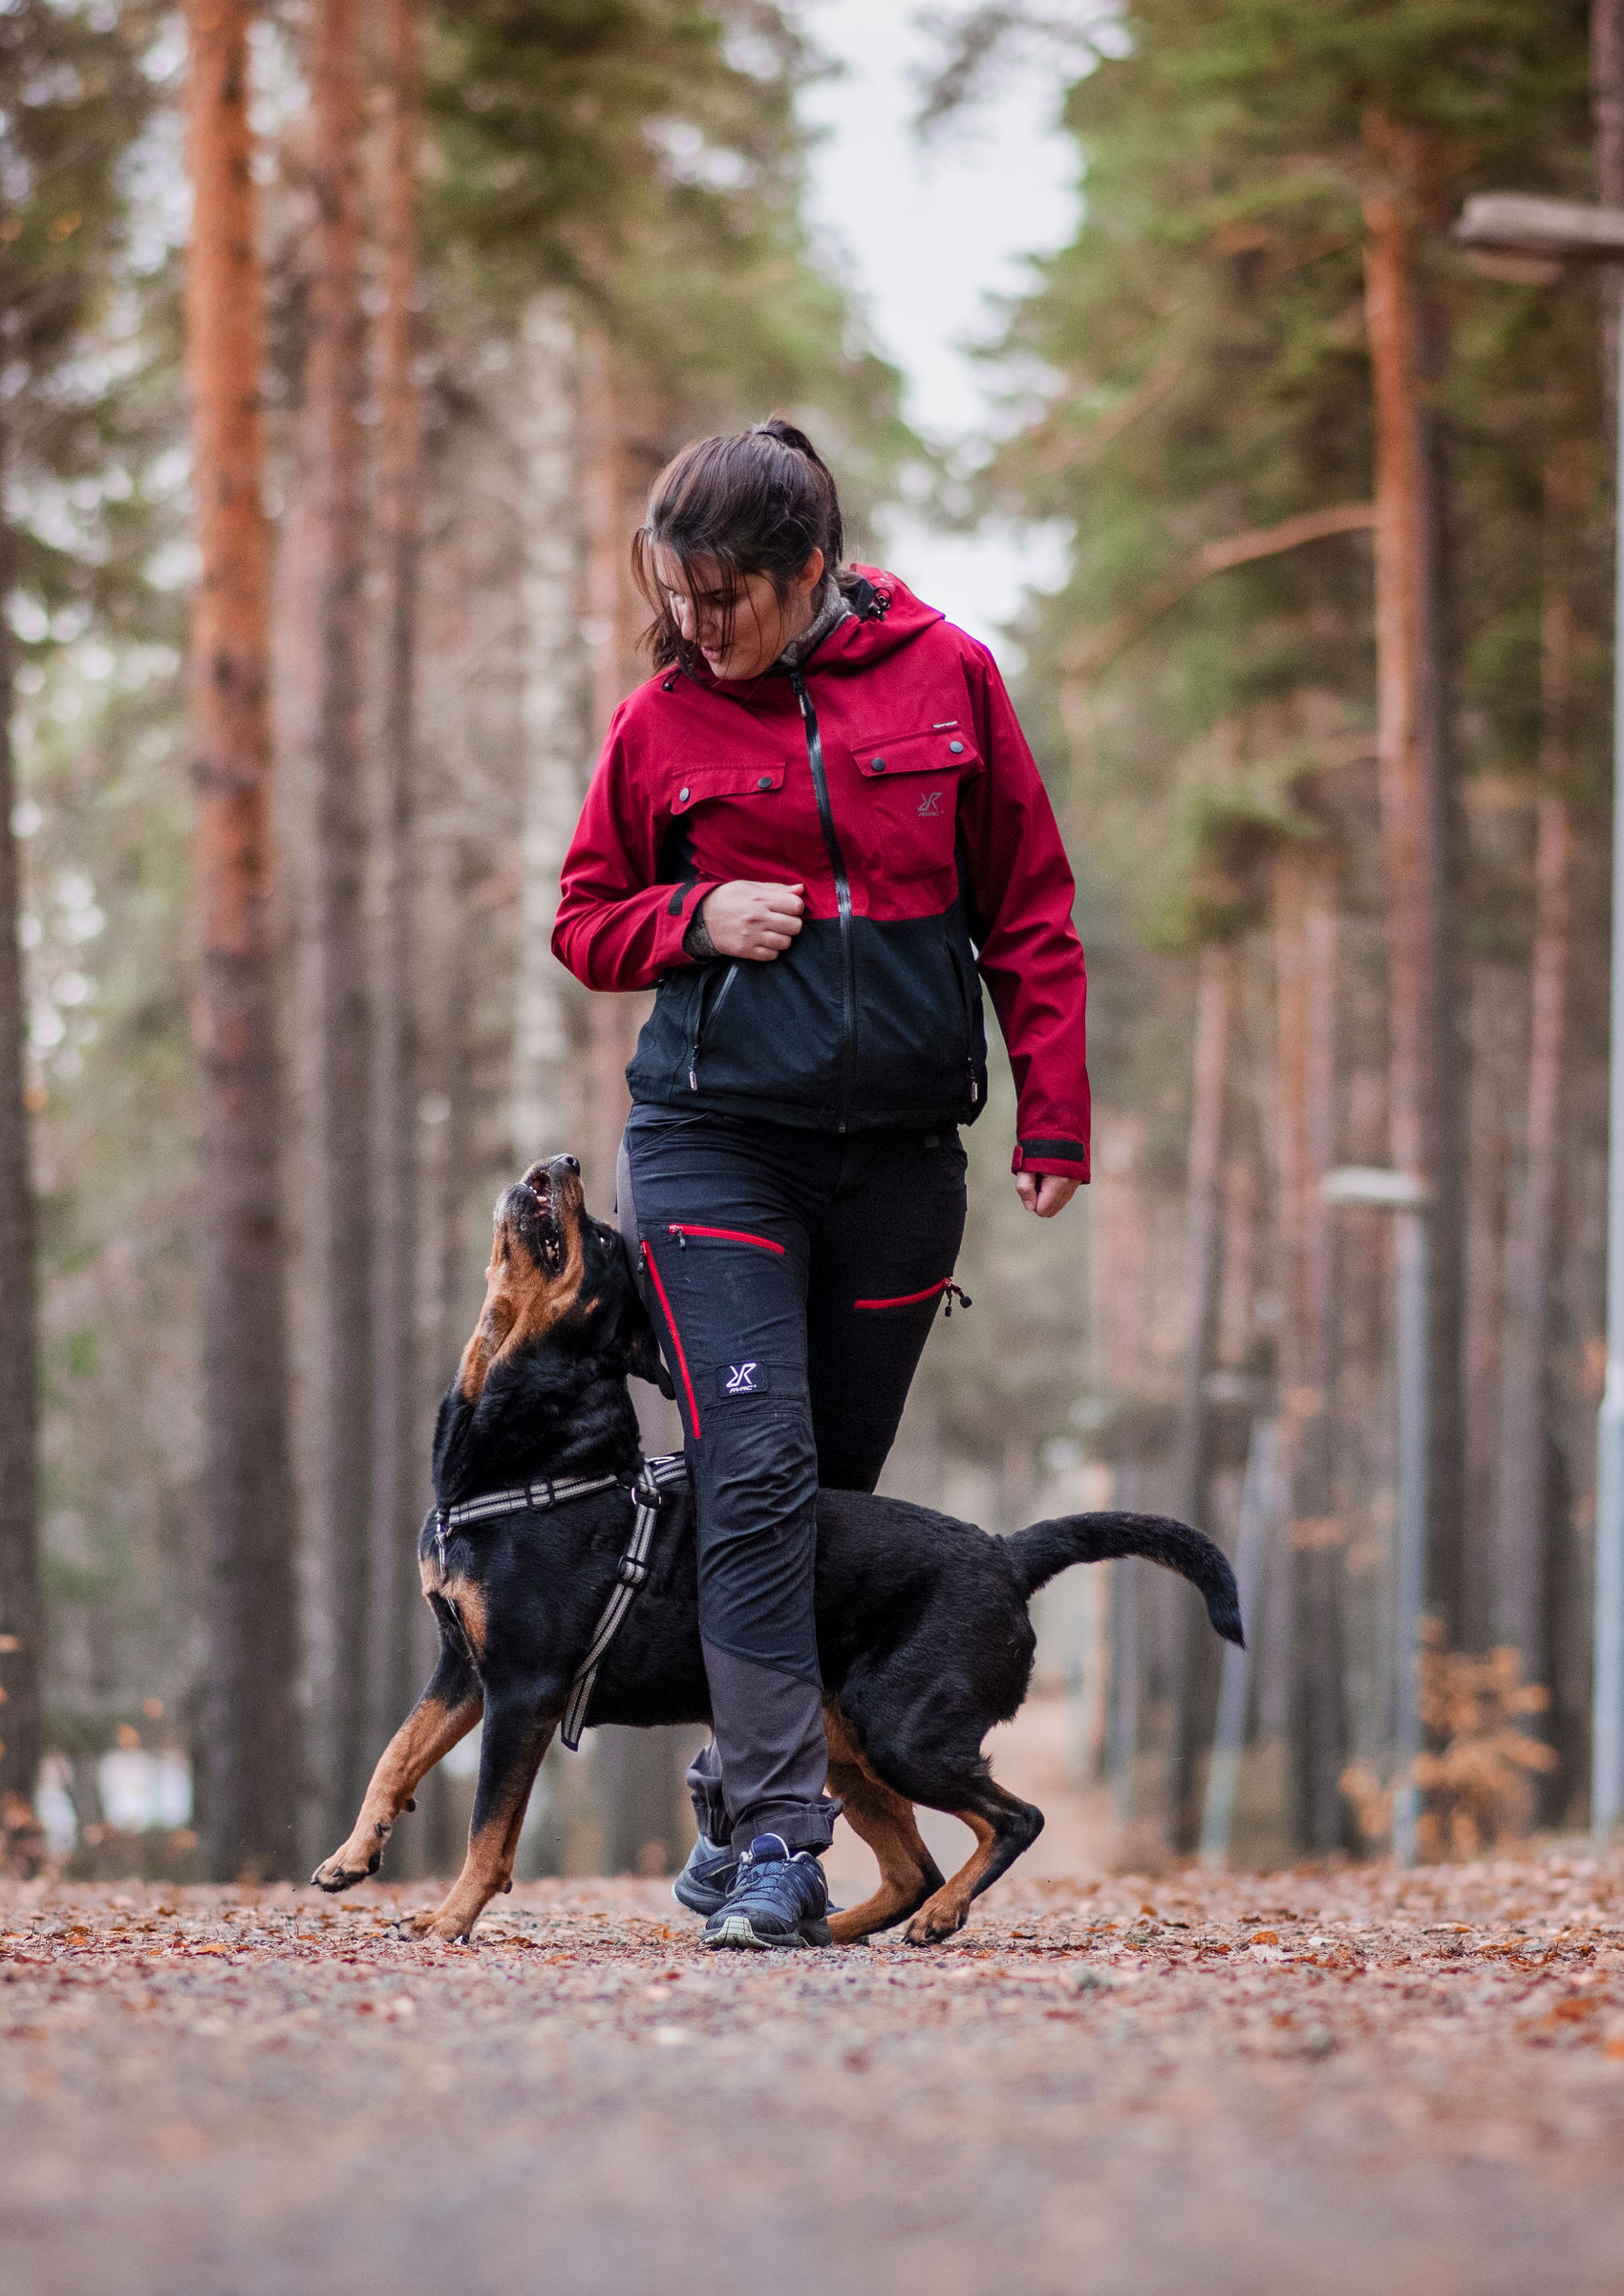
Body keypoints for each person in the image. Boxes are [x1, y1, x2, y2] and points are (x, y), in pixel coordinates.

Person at [552, 419, 1088, 1948]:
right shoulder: (657, 723)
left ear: (811, 571)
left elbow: (1030, 906)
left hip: (901, 1164)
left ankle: (741, 1798)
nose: (696, 628)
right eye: (676, 597)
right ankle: (783, 1843)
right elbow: (586, 922)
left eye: (726, 599)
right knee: (757, 1468)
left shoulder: (950, 678)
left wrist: (1055, 1114)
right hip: (716, 1140)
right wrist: (697, 913)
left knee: (823, 1507)